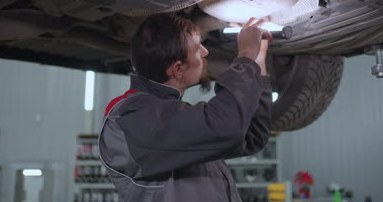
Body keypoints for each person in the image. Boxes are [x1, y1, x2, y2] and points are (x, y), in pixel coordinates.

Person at [99, 13, 273, 202]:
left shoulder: (173, 119)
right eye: (198, 48)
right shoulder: (131, 119)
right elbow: (225, 127)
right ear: (177, 69)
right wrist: (245, 56)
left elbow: (253, 135)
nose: (206, 52)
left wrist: (257, 59)